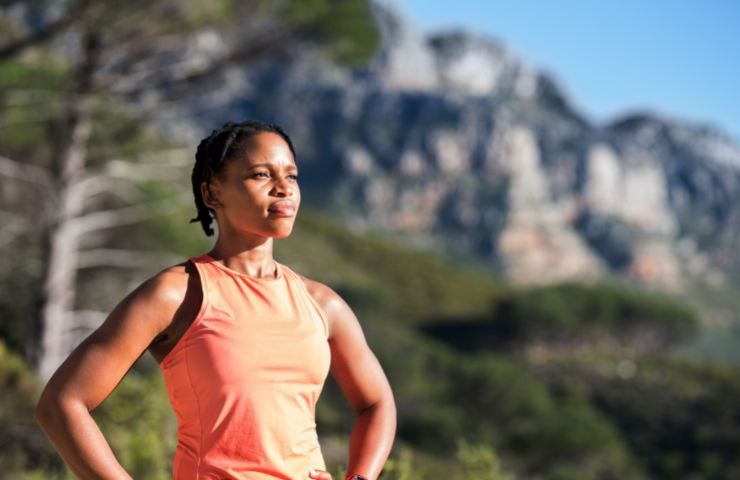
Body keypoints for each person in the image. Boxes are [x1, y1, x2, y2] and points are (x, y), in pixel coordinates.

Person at [35, 120, 397, 480]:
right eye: (261, 175)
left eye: (292, 176)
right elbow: (62, 403)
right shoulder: (177, 294)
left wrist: (360, 478)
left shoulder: (322, 304)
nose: (284, 189)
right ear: (212, 194)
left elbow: (376, 403)